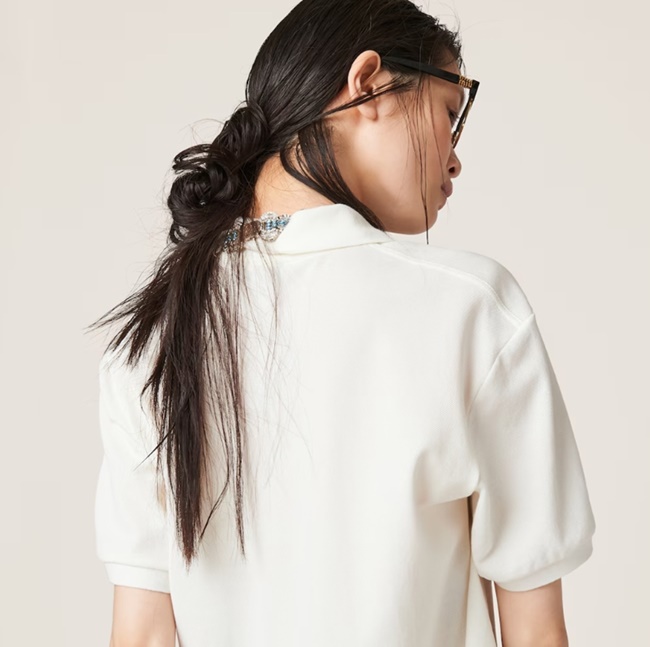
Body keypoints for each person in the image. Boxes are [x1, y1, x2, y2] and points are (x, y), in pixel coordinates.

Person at [87, 1, 596, 645]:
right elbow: (535, 634)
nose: (454, 158)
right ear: (368, 84)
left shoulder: (156, 335)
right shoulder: (471, 309)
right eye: (450, 113)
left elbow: (142, 635)